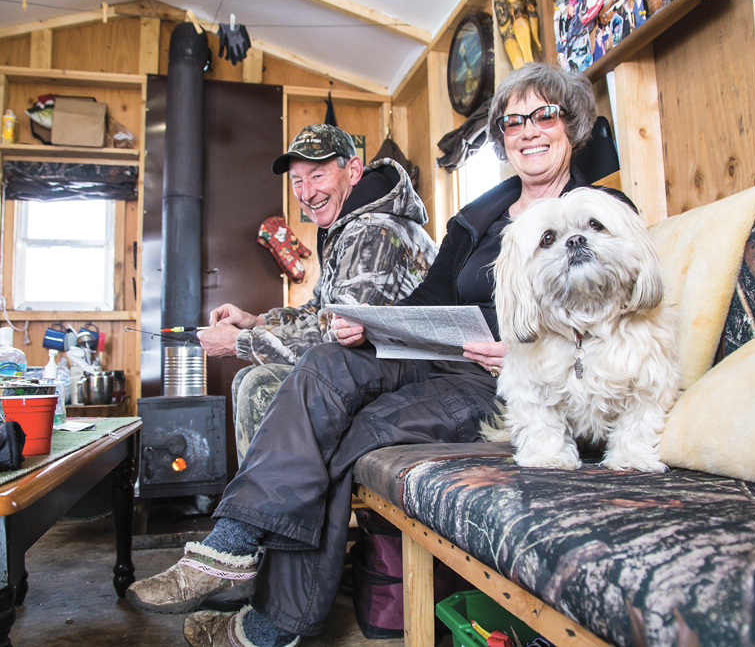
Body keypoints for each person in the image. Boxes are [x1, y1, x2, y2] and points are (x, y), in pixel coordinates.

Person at [129, 62, 636, 647]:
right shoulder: (478, 221)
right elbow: (427, 302)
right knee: (324, 363)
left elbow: (624, 316)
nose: (528, 131)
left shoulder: (599, 214)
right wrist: (368, 326)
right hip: (440, 355)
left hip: (505, 383)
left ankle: (274, 625)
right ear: (501, 136)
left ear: (570, 125)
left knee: (350, 439)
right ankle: (231, 544)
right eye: (514, 121)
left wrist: (528, 350)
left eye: (543, 116)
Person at [194, 123, 438, 461]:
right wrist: (255, 322)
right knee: (250, 379)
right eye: (297, 181)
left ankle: (270, 510)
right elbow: (318, 311)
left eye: (317, 176)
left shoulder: (376, 231)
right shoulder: (347, 226)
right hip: (374, 367)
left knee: (259, 385)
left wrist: (239, 342)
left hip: (415, 377)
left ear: (352, 171)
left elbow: (335, 342)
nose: (306, 193)